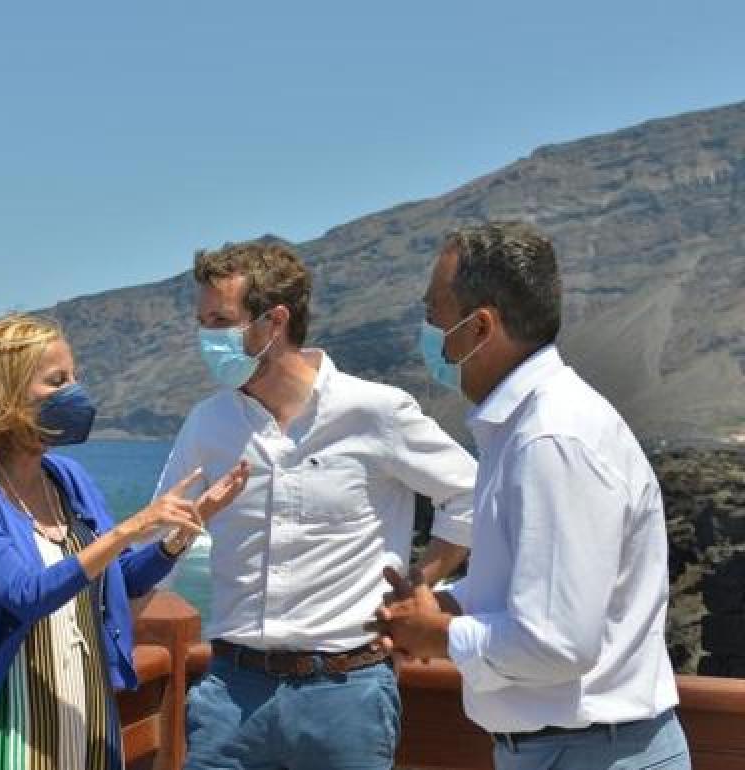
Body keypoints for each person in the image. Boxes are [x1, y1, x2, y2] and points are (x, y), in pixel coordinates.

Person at [375, 221, 691, 769]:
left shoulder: (551, 439)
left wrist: (440, 635)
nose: (426, 331)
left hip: (594, 753)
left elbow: (557, 643)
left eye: (434, 316)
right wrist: (450, 604)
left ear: (480, 328)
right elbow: (534, 584)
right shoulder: (525, 428)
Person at [153, 240, 478, 770]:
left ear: (275, 320)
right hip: (230, 695)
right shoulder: (207, 423)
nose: (207, 337)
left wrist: (421, 585)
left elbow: (471, 493)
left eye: (221, 320)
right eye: (202, 321)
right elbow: (158, 537)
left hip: (346, 696)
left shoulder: (375, 411)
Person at [0, 313, 248, 770]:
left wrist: (179, 537)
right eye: (57, 380)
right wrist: (131, 527)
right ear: (5, 393)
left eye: (75, 377)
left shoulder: (68, 478)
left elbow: (120, 577)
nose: (74, 391)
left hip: (88, 716)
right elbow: (24, 595)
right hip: (12, 724)